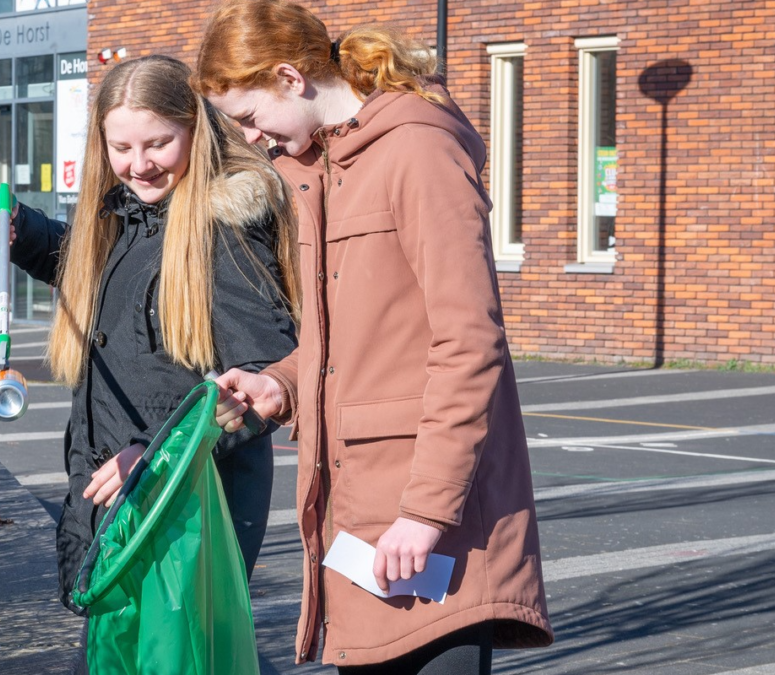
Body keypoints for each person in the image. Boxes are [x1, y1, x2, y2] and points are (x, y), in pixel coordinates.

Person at [193, 1, 554, 673]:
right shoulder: (325, 168)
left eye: (249, 116)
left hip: (430, 528)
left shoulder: (417, 149)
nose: (251, 139)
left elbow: (469, 342)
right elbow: (360, 340)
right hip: (364, 524)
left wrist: (423, 512)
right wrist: (284, 382)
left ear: (289, 77)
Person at [0, 55, 300, 619]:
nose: (139, 165)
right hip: (118, 507)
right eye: (120, 149)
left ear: (197, 132)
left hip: (187, 515)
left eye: (157, 144)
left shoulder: (224, 235)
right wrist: (22, 230)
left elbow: (262, 390)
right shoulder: (128, 216)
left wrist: (156, 459)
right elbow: (102, 272)